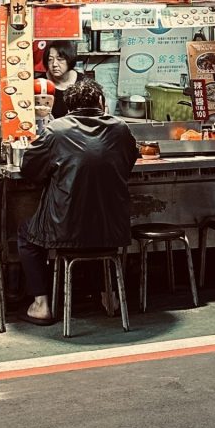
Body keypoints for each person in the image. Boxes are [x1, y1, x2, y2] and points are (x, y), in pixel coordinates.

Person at [17, 78, 138, 325]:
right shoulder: (121, 128)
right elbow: (128, 163)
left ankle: (41, 305)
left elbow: (30, 169)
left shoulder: (56, 130)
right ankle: (109, 296)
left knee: (26, 236)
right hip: (112, 228)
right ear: (101, 102)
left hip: (65, 227)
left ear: (69, 105)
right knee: (96, 236)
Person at [41, 40, 84, 118]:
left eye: (60, 59)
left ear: (70, 59)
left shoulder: (83, 82)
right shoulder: (40, 83)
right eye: (50, 59)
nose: (54, 64)